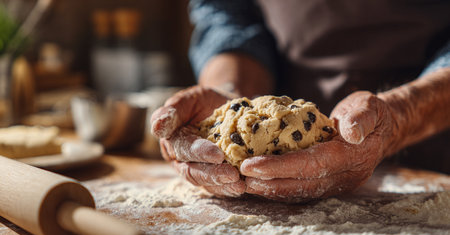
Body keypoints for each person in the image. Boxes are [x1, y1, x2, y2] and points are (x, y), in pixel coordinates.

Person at [151, 0, 450, 201]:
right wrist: (229, 101)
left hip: (435, 151)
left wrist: (403, 113)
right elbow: (228, 13)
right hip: (275, 147)